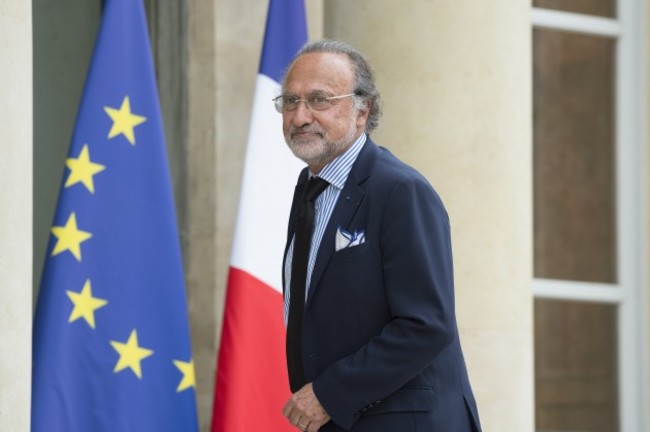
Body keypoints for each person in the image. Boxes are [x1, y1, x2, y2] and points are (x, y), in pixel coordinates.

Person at [276, 39, 482, 432]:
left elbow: (427, 324)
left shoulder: (400, 191)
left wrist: (328, 393)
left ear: (361, 110)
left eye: (319, 100)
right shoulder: (308, 189)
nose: (299, 116)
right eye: (289, 101)